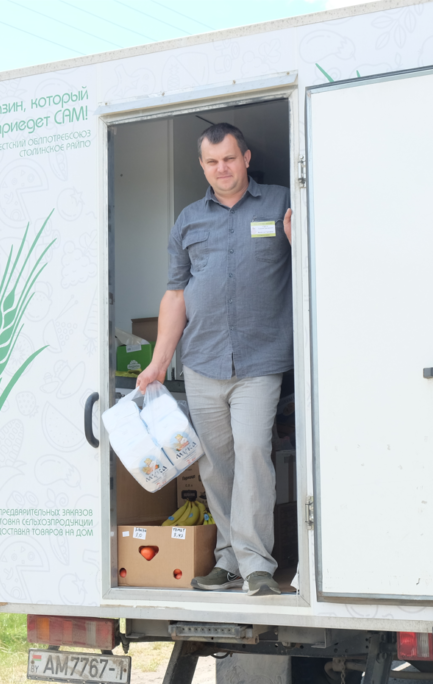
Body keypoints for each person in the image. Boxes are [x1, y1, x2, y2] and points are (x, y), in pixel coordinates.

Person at [136, 122, 292, 597]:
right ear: (202, 166)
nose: (221, 169)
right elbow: (175, 293)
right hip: (202, 361)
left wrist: (299, 238)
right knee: (215, 466)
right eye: (211, 162)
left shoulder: (281, 202)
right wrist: (158, 361)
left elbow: (315, 268)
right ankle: (229, 559)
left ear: (246, 158)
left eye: (229, 158)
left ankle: (257, 564)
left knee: (251, 454)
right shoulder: (188, 220)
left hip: (261, 361)